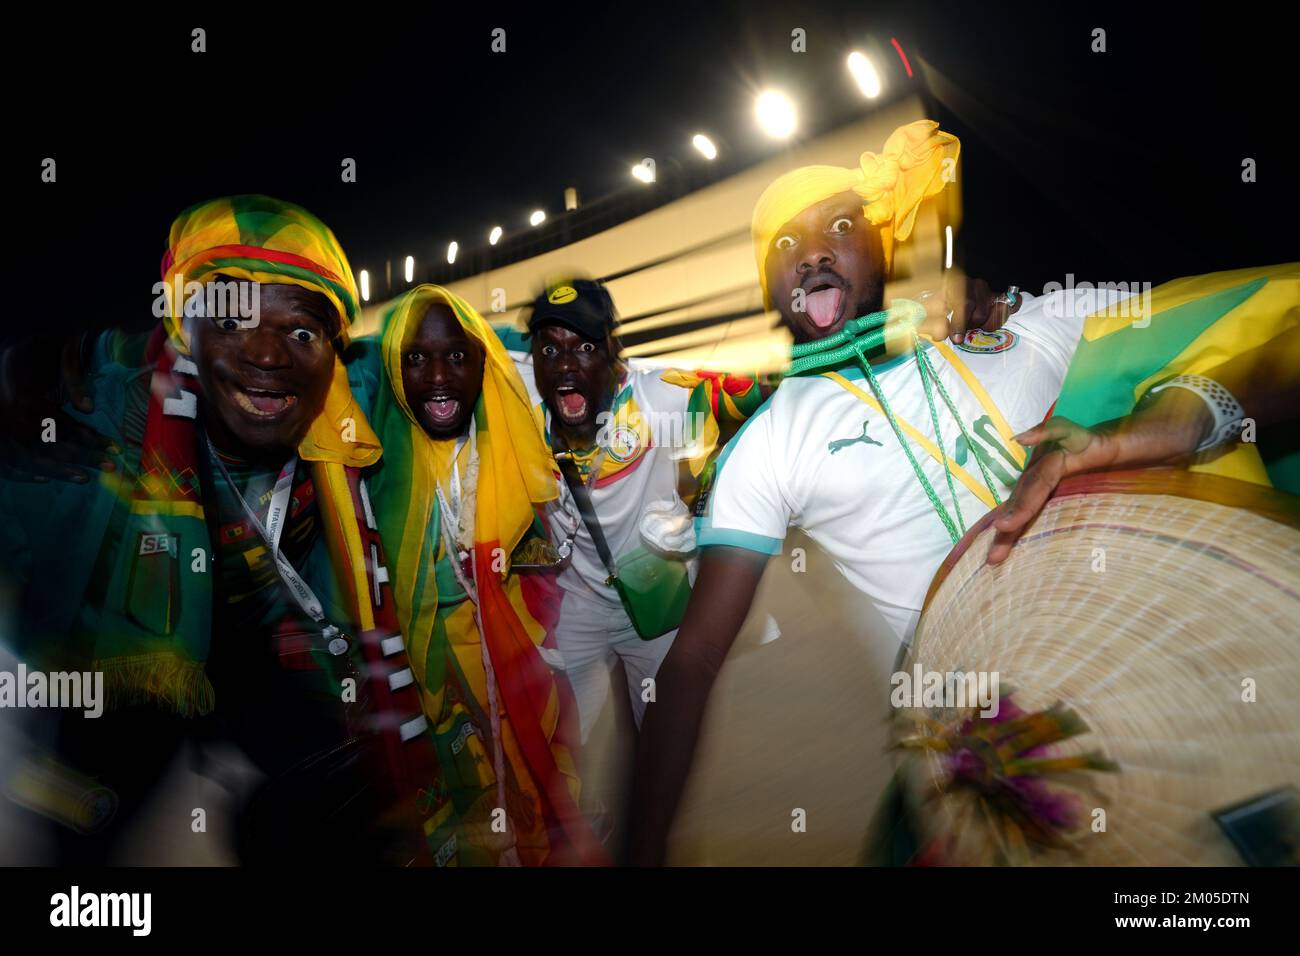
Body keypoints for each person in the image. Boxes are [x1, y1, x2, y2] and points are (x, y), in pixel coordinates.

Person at [624, 120, 1138, 865]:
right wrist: (643, 848)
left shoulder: (1005, 330)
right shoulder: (770, 444)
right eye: (785, 245)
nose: (811, 254)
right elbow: (695, 658)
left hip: (1125, 675)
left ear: (883, 248)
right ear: (769, 288)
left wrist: (1007, 300)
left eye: (839, 227)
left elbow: (1201, 320)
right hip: (980, 765)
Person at [0, 195, 441, 864]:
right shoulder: (101, 416)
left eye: (302, 332)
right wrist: (12, 382)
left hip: (256, 648)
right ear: (187, 331)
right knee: (85, 828)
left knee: (341, 793)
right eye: (232, 321)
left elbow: (470, 355)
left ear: (334, 352)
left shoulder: (355, 407)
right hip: (128, 658)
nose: (267, 354)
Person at [345, 284, 607, 865]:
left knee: (538, 771)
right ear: (393, 370)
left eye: (458, 357)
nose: (439, 376)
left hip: (516, 654)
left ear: (481, 363)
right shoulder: (376, 459)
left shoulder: (508, 437)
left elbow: (528, 345)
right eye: (416, 358)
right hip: (429, 669)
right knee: (464, 792)